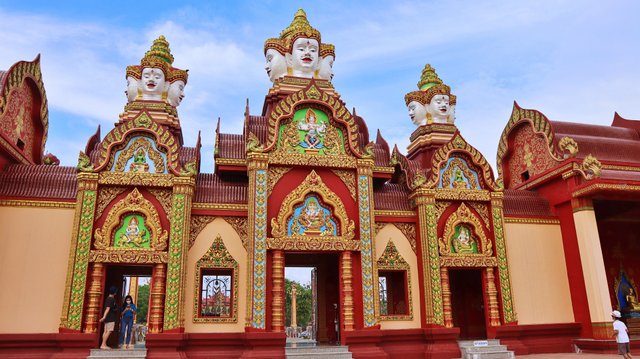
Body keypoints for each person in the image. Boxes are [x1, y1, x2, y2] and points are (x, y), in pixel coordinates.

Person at [99, 286, 118, 350]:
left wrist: (104, 317)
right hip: (110, 317)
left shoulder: (108, 298)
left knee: (105, 331)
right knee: (109, 331)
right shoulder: (111, 299)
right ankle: (103, 344)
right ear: (115, 292)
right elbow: (108, 308)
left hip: (108, 317)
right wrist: (104, 317)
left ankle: (103, 344)